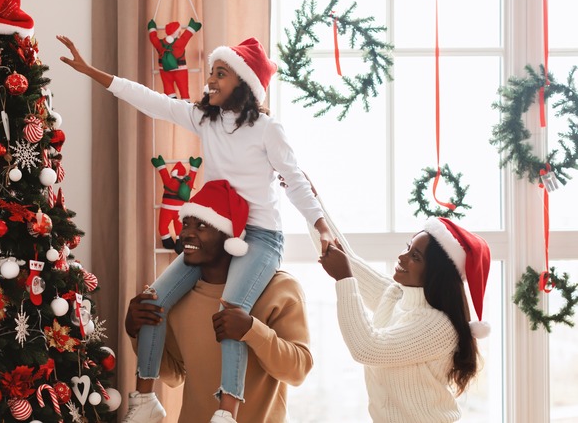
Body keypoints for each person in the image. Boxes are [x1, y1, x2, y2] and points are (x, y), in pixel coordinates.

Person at [57, 35, 333, 423]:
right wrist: (93, 73)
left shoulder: (269, 130)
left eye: (220, 73)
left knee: (231, 312)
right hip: (221, 230)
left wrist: (321, 228)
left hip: (260, 237)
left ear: (245, 82)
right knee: (153, 300)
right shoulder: (206, 119)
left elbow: (296, 182)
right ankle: (145, 399)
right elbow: (152, 101)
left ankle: (227, 411)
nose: (211, 81)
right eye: (211, 73)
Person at [124, 179, 313, 423]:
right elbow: (174, 375)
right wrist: (136, 331)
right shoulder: (177, 296)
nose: (186, 233)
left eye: (201, 225)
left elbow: (298, 371)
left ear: (229, 236)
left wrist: (251, 330)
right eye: (185, 224)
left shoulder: (280, 289)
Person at [319, 216, 491, 422]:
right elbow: (348, 261)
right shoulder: (396, 295)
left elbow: (366, 348)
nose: (402, 257)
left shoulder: (438, 327)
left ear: (435, 273)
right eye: (407, 247)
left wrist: (344, 279)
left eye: (415, 256)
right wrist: (310, 204)